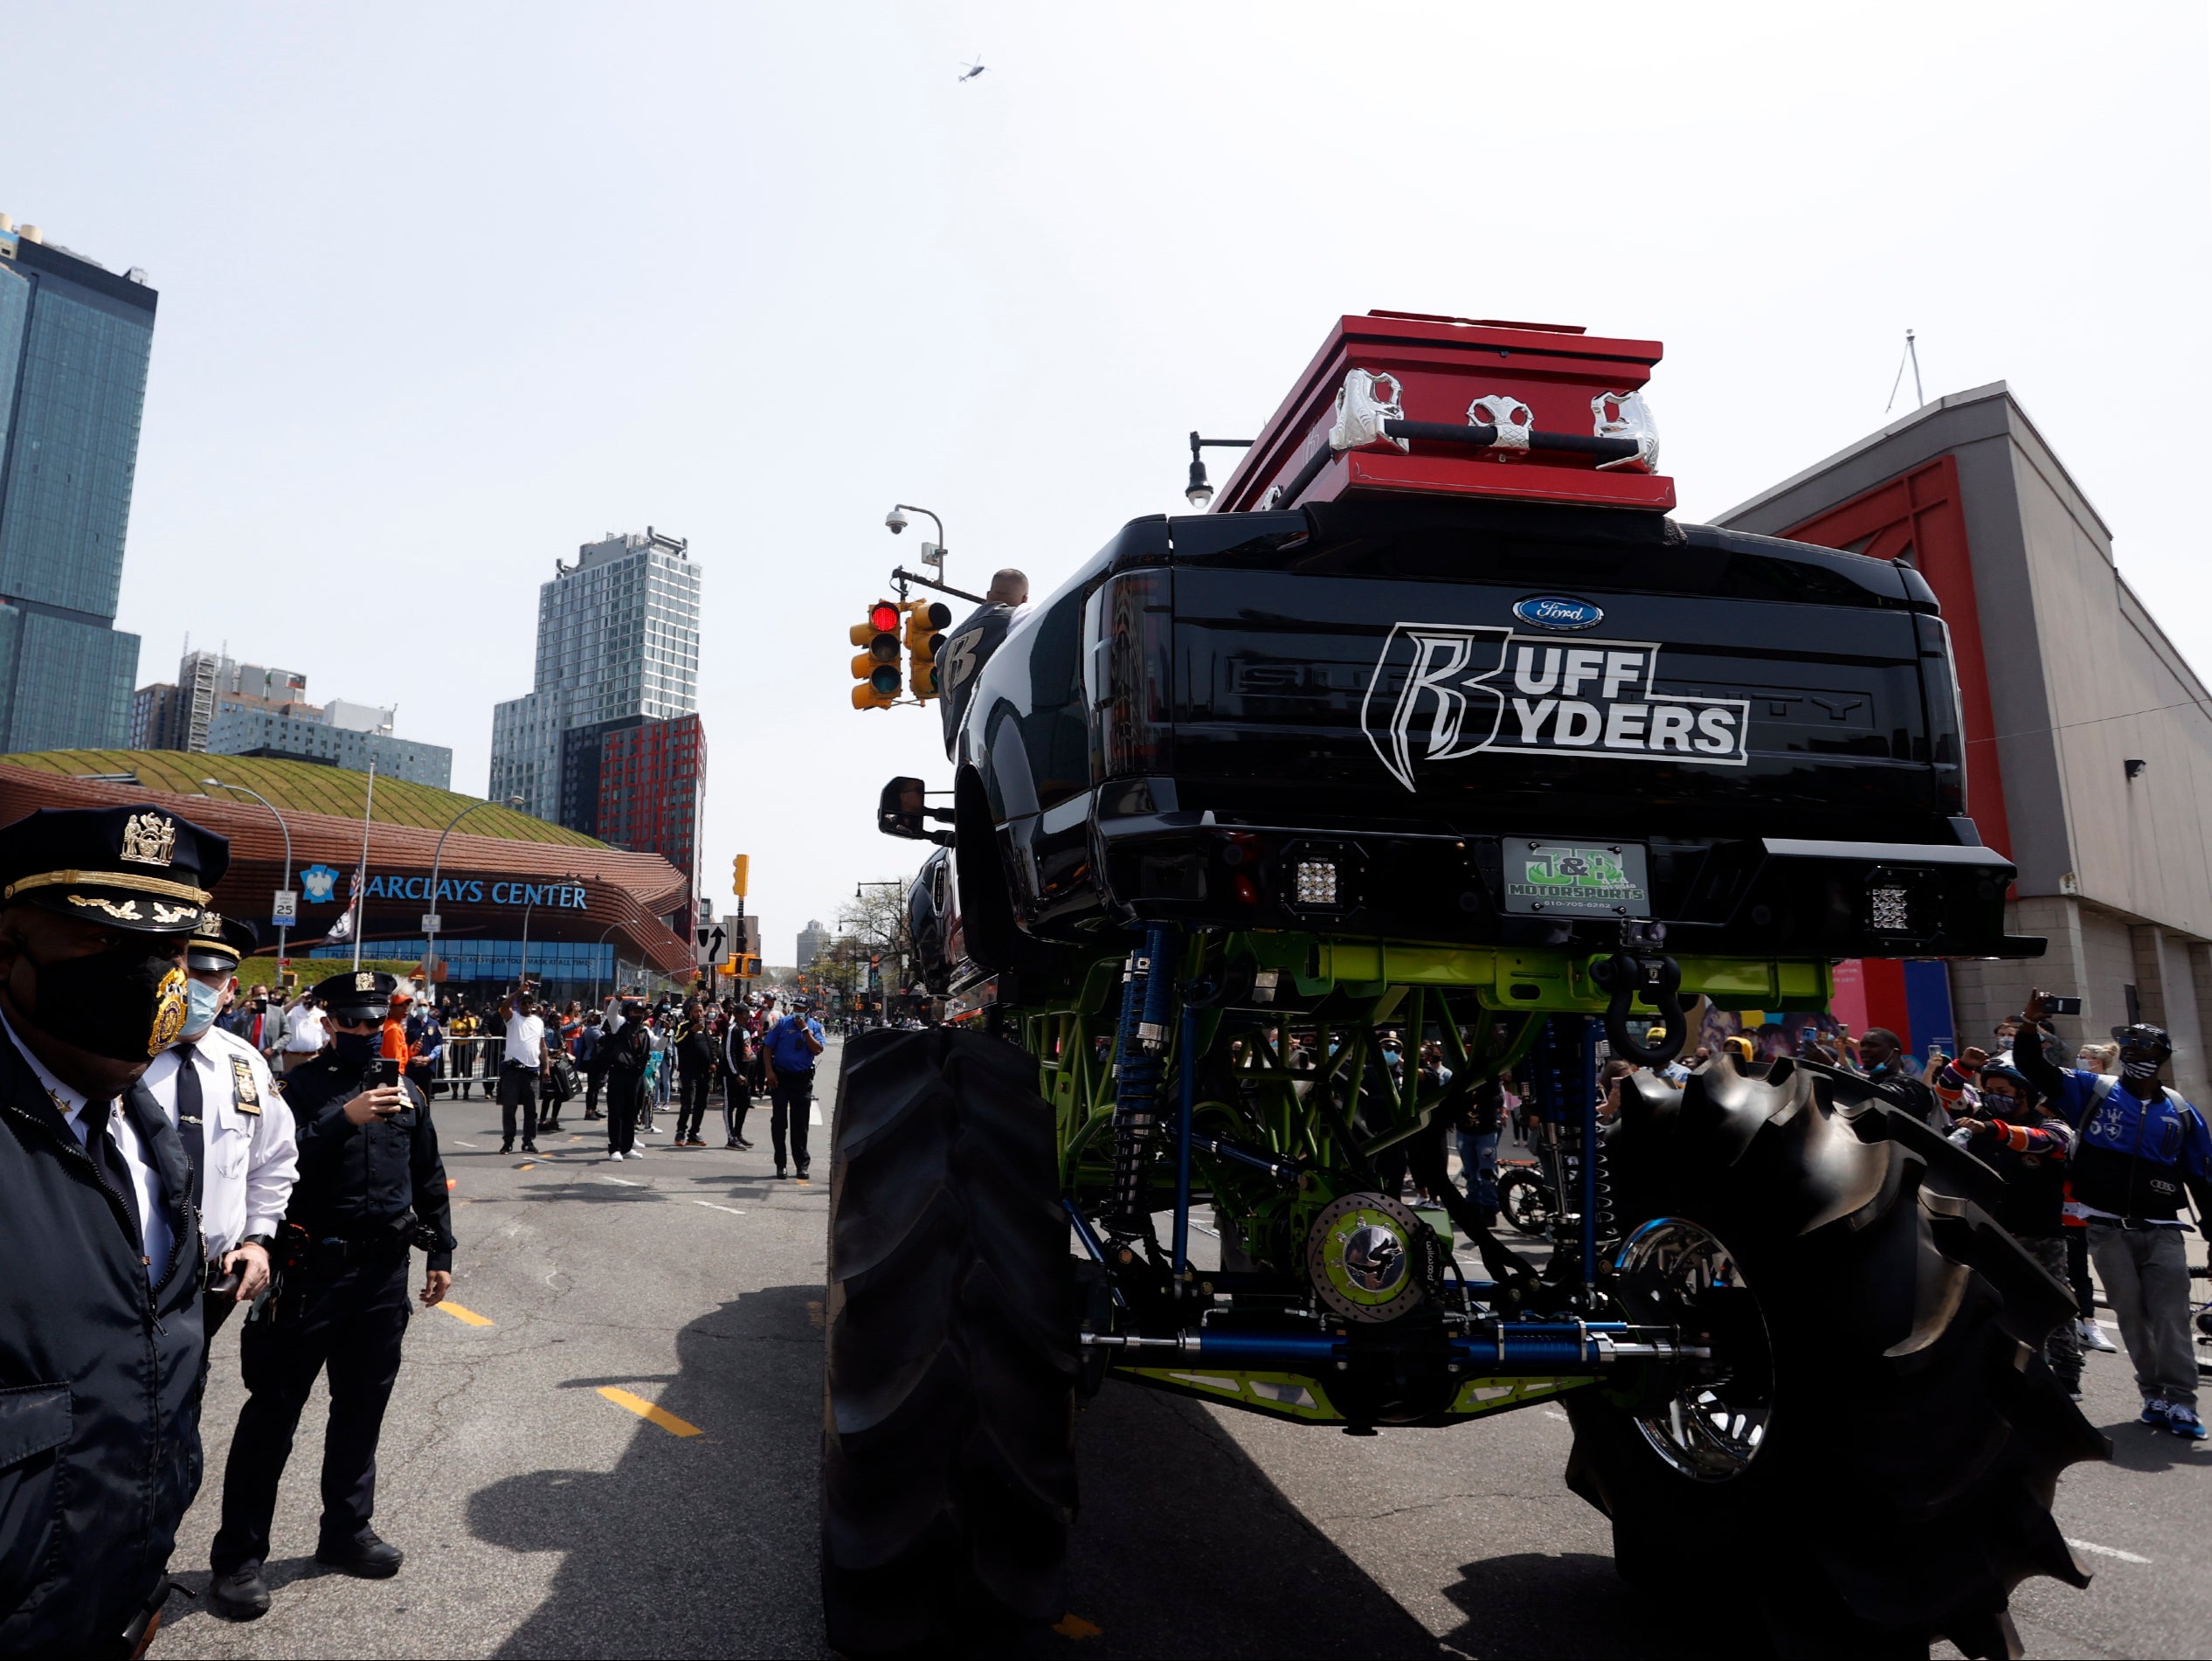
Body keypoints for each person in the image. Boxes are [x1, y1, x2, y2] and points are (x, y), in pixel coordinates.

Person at [0, 805, 226, 1657]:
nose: (149, 976)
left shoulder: (148, 1132)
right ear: (9, 949)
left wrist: (142, 1569)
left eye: (170, 949)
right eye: (102, 940)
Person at [207, 968, 456, 1619]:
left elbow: (428, 1172)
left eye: (378, 1021)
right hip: (310, 1272)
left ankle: (346, 1530)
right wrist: (342, 1120)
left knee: (362, 1409)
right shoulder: (294, 1090)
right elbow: (271, 1167)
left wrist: (441, 1250)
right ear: (329, 1022)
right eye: (354, 1021)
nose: (367, 1031)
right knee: (273, 1415)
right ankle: (238, 1558)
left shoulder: (406, 1090)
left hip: (381, 1275)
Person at [2014, 994, 2212, 1440]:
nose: (2136, 1055)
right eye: (2130, 1047)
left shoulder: (2180, 1111)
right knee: (2132, 1318)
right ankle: (2153, 1396)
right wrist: (2029, 1023)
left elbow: (2202, 1178)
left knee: (2170, 1316)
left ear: (2162, 1057)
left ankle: (2182, 1402)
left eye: (2146, 1049)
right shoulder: (2093, 1089)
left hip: (2163, 1230)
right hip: (2106, 1229)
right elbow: (2033, 1067)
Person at [141, 912, 299, 1368]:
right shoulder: (118, 1057)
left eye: (210, 976)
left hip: (211, 1282)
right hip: (126, 1279)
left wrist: (257, 1239)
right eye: (184, 971)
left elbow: (272, 1160)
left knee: (189, 1392)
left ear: (230, 990)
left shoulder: (245, 1064)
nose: (194, 986)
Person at [1944, 1061, 2083, 1398]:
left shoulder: (2049, 1125)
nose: (1995, 1097)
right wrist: (1963, 1066)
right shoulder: (1978, 1120)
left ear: (2023, 1093)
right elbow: (1947, 1093)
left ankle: (2067, 1373)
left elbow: (2049, 1142)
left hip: (2040, 1233)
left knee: (2052, 1302)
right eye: (1989, 1090)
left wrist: (1993, 1130)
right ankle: (2005, 1368)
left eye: (2003, 1091)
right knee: (1992, 1303)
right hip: (1991, 1230)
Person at [937, 568, 1029, 751]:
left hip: (959, 748)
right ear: (1024, 599)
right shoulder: (1019, 616)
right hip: (994, 737)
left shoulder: (944, 647)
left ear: (988, 595)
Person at [763, 995, 826, 1179]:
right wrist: (769, 1072)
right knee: (779, 1122)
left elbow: (817, 1049)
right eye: (795, 1007)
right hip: (781, 1079)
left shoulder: (815, 1027)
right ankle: (781, 1164)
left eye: (801, 1008)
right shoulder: (782, 1023)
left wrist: (805, 1030)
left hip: (802, 1080)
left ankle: (801, 1165)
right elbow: (767, 1047)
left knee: (800, 1125)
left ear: (808, 1010)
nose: (798, 1011)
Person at [1854, 1026, 1946, 1130]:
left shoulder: (1908, 1085)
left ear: (1895, 1053)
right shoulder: (1872, 1081)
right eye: (1862, 1045)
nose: (1865, 1050)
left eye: (1873, 1045)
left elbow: (1883, 1095)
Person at [498, 988, 549, 1154]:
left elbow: (542, 1046)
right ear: (518, 1004)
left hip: (532, 1072)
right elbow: (503, 1007)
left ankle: (528, 1141)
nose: (527, 1005)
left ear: (533, 1005)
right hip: (512, 1071)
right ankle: (508, 1142)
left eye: (529, 1002)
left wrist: (546, 1067)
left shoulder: (538, 1022)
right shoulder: (513, 1018)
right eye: (523, 1002)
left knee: (531, 1111)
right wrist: (519, 991)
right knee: (509, 1109)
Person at [601, 996, 651, 1160]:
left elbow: (658, 1045)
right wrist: (617, 999)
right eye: (635, 1011)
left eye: (641, 1012)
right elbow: (611, 1013)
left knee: (631, 1112)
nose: (638, 1015)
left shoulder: (644, 1031)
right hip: (618, 1074)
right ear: (628, 1012)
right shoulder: (619, 1024)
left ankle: (627, 1148)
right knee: (616, 1112)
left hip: (634, 1076)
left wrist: (666, 1033)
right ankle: (614, 1148)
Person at [673, 997, 715, 1146]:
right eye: (696, 1011)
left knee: (701, 1104)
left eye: (701, 1011)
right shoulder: (684, 1026)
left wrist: (713, 1062)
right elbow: (678, 1042)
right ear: (690, 1013)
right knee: (688, 1103)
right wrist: (691, 1031)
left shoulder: (706, 1027)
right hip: (689, 1072)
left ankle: (694, 1133)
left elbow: (711, 1045)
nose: (700, 1014)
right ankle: (681, 1132)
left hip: (704, 1072)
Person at [722, 1000, 756, 1149]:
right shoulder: (733, 1029)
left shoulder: (745, 1029)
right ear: (741, 1014)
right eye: (747, 1013)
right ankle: (731, 1138)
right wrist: (736, 1073)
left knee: (744, 1103)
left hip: (745, 1073)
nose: (749, 1016)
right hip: (733, 1075)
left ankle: (738, 1133)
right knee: (730, 1105)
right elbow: (729, 1053)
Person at [280, 983, 329, 1073]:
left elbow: (326, 1038)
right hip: (292, 1057)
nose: (310, 999)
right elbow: (280, 1013)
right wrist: (297, 1000)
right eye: (307, 996)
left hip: (313, 1057)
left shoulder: (321, 1014)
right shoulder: (293, 1010)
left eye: (312, 996)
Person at [575, 1009, 605, 1120]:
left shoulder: (594, 1028)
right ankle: (588, 1112)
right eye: (597, 1016)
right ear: (592, 1018)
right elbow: (602, 1041)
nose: (599, 1018)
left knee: (596, 1087)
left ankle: (594, 1109)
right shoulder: (593, 1030)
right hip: (593, 1060)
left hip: (595, 1059)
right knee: (592, 1087)